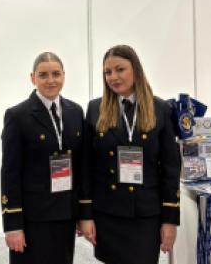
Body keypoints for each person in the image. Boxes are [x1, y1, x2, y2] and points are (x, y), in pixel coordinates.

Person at [79, 45, 181, 264]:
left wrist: (170, 220)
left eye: (120, 69)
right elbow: (87, 166)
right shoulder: (95, 109)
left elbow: (171, 168)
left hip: (146, 214)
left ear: (135, 69)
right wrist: (85, 215)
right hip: (108, 212)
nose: (113, 77)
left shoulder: (160, 109)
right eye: (108, 72)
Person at [0, 52, 85, 264]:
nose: (50, 80)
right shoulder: (17, 115)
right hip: (33, 219)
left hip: (65, 214)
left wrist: (83, 213)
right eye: (43, 75)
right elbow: (10, 173)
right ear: (33, 78)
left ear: (64, 75)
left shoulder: (75, 112)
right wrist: (13, 225)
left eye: (56, 74)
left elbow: (82, 166)